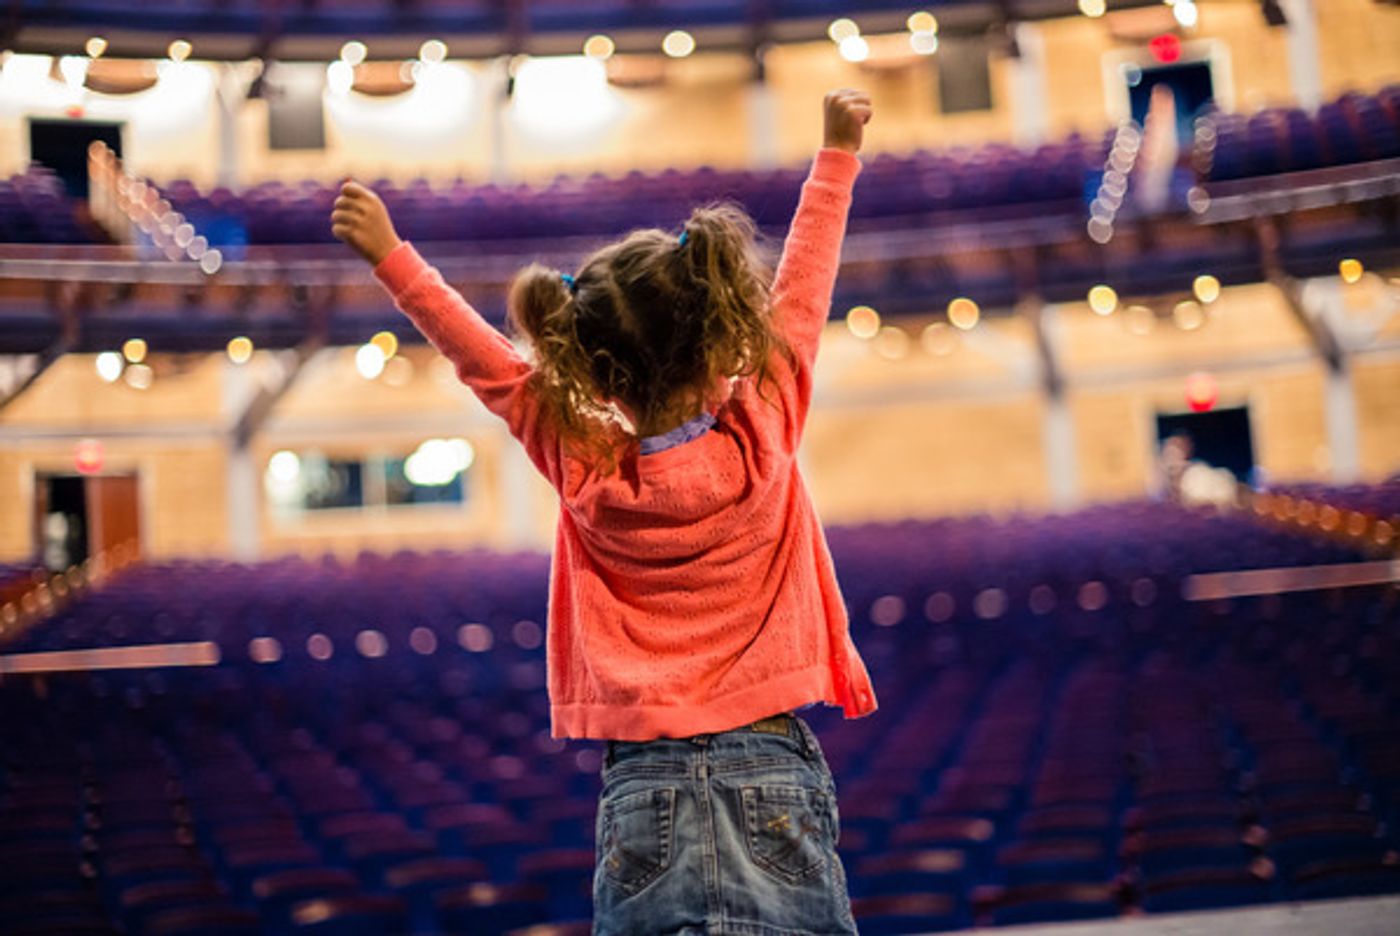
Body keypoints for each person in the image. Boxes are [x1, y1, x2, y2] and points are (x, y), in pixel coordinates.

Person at [332, 89, 878, 935]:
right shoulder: (766, 423)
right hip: (772, 764)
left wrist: (393, 258)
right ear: (721, 327)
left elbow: (491, 365)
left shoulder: (581, 464)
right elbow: (806, 286)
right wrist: (837, 154)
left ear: (593, 372)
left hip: (642, 785)